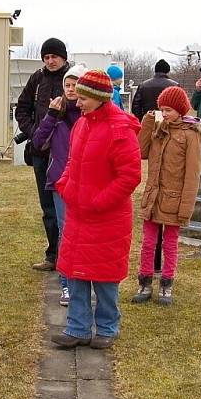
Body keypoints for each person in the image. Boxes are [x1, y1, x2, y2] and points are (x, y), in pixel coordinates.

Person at [50, 70, 142, 350]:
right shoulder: (82, 125)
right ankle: (77, 327)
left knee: (104, 278)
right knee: (76, 273)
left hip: (106, 218)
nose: (77, 103)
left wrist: (98, 202)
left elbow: (129, 176)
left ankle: (107, 327)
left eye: (83, 98)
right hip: (78, 213)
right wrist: (64, 186)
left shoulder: (120, 130)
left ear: (100, 98)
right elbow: (71, 163)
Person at [132, 86, 201, 306]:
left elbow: (193, 174)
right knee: (148, 243)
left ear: (181, 110)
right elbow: (141, 151)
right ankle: (144, 282)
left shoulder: (191, 136)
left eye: (169, 110)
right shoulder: (158, 130)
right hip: (153, 198)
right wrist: (146, 123)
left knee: (170, 244)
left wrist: (185, 208)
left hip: (174, 201)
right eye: (162, 109)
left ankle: (167, 284)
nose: (165, 114)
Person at [32, 64, 86, 307]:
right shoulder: (58, 112)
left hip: (86, 182)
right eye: (67, 85)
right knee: (66, 232)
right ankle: (66, 284)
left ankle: (83, 278)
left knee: (83, 233)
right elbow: (38, 142)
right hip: (60, 182)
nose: (71, 89)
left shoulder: (88, 115)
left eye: (76, 84)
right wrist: (51, 116)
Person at [15, 38, 70, 271]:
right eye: (46, 57)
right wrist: (33, 131)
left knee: (67, 208)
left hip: (66, 154)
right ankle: (52, 254)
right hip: (40, 152)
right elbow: (22, 109)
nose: (50, 61)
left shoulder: (73, 79)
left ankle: (69, 255)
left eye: (54, 57)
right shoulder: (37, 78)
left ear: (63, 57)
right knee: (47, 206)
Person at [131, 58, 180, 274]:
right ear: (168, 71)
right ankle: (159, 267)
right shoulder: (176, 87)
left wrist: (145, 125)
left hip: (152, 137)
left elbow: (135, 108)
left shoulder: (144, 85)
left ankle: (151, 266)